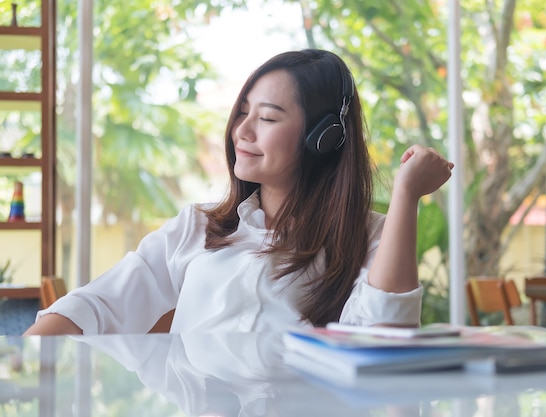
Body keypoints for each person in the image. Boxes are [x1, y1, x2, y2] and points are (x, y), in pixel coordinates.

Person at [24, 49, 453, 336]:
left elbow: (384, 337)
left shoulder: (367, 237)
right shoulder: (201, 225)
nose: (241, 132)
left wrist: (406, 196)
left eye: (267, 118)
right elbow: (100, 304)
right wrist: (18, 365)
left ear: (324, 138)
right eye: (242, 113)